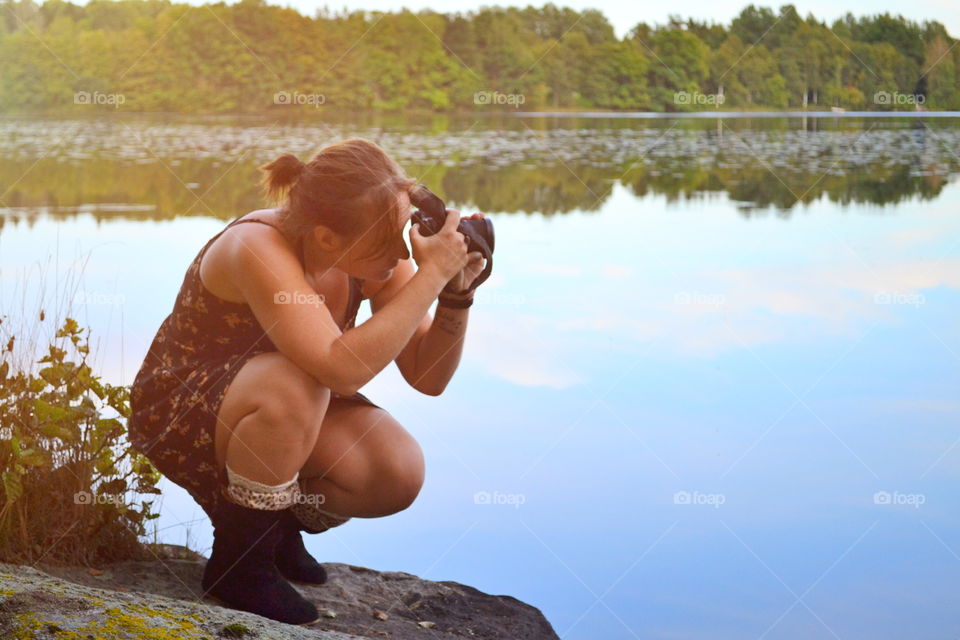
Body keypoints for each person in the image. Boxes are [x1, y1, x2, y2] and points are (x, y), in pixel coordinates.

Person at [127, 137, 487, 625]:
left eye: (406, 225)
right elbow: (339, 367)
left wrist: (454, 294)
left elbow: (428, 377)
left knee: (394, 470)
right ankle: (241, 563)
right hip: (184, 412)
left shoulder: (371, 253)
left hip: (283, 407)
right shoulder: (256, 246)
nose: (405, 247)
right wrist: (431, 274)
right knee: (297, 378)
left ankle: (271, 528)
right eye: (392, 237)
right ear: (326, 238)